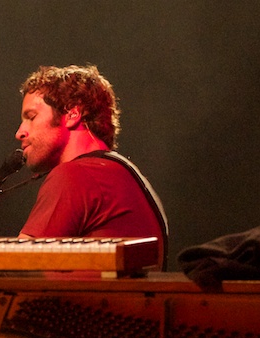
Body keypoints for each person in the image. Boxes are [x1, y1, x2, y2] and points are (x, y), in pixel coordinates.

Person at [15, 64, 169, 267]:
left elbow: (18, 267)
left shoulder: (77, 175)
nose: (20, 132)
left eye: (31, 117)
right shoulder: (121, 173)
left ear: (72, 114)